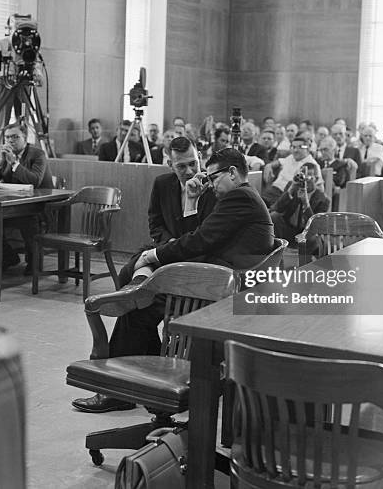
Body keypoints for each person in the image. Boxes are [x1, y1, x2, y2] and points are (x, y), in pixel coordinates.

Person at [72, 148, 274, 413]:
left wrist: (153, 254)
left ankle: (121, 390)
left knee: (137, 308)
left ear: (233, 173)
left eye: (213, 178)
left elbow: (200, 241)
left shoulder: (239, 198)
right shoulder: (244, 197)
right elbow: (200, 237)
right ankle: (147, 377)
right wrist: (191, 204)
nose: (210, 185)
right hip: (220, 283)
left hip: (217, 292)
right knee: (141, 298)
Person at [116, 136, 218, 291]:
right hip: (167, 245)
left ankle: (136, 292)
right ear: (170, 165)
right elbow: (155, 224)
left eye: (193, 164)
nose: (189, 171)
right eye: (181, 167)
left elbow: (206, 236)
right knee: (127, 272)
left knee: (143, 262)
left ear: (200, 157)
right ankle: (135, 292)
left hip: (198, 253)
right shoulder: (162, 184)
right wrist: (169, 242)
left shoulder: (213, 187)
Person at [0, 121, 53, 275]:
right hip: (12, 205)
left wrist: (14, 163)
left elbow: (34, 181)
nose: (10, 141)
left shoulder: (37, 154)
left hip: (37, 207)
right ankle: (8, 257)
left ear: (25, 138)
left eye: (15, 137)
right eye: (7, 138)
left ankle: (34, 262)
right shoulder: (5, 155)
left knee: (28, 220)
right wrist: (0, 162)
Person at [0, 14, 38, 134]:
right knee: (2, 120)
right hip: (5, 83)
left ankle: (22, 149)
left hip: (24, 83)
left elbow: (35, 64)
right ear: (11, 29)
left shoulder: (31, 47)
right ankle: (1, 150)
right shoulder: (0, 44)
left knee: (23, 120)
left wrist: (38, 76)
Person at [269, 162, 329, 249]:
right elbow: (276, 208)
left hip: (305, 232)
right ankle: (275, 253)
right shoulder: (292, 186)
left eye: (309, 177)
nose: (305, 180)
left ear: (316, 179)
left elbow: (316, 225)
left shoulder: (323, 199)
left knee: (314, 237)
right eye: (302, 176)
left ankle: (305, 261)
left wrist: (306, 203)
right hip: (288, 228)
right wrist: (290, 190)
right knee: (274, 216)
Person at [261, 134, 321, 207]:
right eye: (293, 147)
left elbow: (319, 187)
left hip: (287, 197)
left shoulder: (313, 165)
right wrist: (269, 166)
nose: (295, 150)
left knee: (258, 207)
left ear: (307, 148)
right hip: (273, 191)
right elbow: (279, 162)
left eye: (300, 147)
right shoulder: (291, 158)